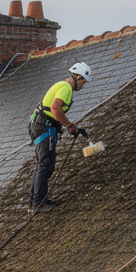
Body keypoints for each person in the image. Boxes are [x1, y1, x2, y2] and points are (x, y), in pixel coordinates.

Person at [28, 62, 91, 212]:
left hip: (40, 125)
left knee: (43, 164)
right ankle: (38, 203)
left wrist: (68, 125)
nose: (82, 86)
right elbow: (55, 108)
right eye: (83, 82)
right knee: (46, 164)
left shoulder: (62, 86)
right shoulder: (66, 87)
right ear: (78, 77)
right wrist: (69, 125)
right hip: (44, 126)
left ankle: (35, 201)